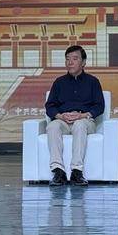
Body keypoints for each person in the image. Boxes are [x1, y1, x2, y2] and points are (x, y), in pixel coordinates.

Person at [44, 45, 105, 187]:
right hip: (64, 121)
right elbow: (50, 106)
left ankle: (77, 171)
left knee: (79, 124)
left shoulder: (93, 82)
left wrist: (82, 115)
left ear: (83, 62)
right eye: (67, 59)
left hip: (85, 120)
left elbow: (99, 106)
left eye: (75, 59)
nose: (70, 62)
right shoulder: (59, 82)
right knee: (52, 126)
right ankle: (58, 171)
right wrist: (60, 116)